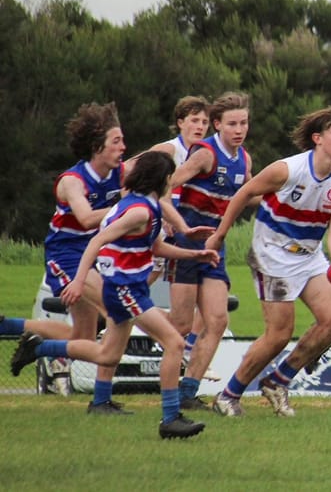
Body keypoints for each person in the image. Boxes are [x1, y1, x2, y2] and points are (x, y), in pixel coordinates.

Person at [10, 150, 219, 439]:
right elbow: (96, 241)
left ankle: (40, 349)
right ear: (161, 179)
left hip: (128, 288)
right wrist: (79, 281)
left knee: (107, 355)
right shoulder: (139, 211)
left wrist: (195, 254)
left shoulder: (146, 206)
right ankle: (171, 418)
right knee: (174, 342)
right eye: (170, 176)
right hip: (124, 289)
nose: (172, 181)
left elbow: (155, 247)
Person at [206, 106, 331, 417]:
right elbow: (244, 193)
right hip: (271, 254)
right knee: (278, 334)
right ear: (318, 138)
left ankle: (278, 381)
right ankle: (228, 396)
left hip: (309, 255)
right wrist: (219, 235)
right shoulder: (288, 169)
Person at [0, 102, 128, 413]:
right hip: (67, 255)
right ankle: (101, 400)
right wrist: (124, 207)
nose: (123, 147)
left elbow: (158, 165)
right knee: (118, 311)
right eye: (116, 141)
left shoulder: (121, 172)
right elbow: (85, 218)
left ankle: (27, 338)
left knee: (83, 337)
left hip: (95, 252)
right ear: (97, 147)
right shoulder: (73, 181)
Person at [168, 91, 254, 410]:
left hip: (214, 248)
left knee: (217, 321)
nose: (239, 129)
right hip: (186, 245)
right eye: (232, 124)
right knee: (180, 326)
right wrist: (171, 220)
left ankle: (187, 393)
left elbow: (250, 193)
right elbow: (168, 184)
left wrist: (286, 194)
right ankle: (167, 392)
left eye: (243, 123)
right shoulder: (205, 154)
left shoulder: (244, 159)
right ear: (217, 125)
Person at [138, 95, 217, 378]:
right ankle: (175, 345)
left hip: (182, 233)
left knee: (206, 307)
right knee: (135, 294)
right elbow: (140, 179)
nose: (200, 126)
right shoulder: (168, 149)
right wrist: (165, 216)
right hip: (158, 231)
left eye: (205, 121)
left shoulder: (206, 152)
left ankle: (182, 346)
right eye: (194, 120)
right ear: (180, 122)